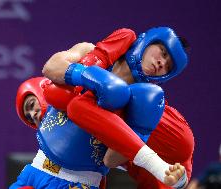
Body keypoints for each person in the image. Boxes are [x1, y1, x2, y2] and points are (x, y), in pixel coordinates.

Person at [42, 26, 194, 189]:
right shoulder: (88, 51)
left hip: (84, 181)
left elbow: (110, 160)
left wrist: (140, 132)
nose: (161, 63)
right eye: (163, 53)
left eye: (168, 67)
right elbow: (50, 67)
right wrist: (87, 76)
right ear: (147, 40)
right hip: (44, 167)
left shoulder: (142, 107)